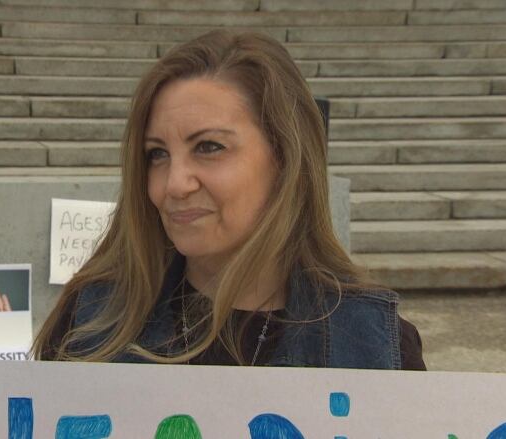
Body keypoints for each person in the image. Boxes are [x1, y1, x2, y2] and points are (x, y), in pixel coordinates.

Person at [32, 30, 425, 370]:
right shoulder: (91, 323)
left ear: (286, 160)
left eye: (208, 146)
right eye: (157, 154)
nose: (174, 184)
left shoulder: (373, 345)